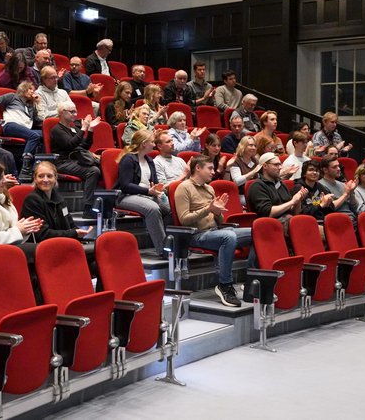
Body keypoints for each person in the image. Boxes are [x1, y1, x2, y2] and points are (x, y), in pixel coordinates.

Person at [176, 155, 253, 306]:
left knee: (257, 231)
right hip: (196, 234)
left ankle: (252, 280)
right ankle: (225, 284)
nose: (213, 172)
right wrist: (209, 209)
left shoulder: (210, 188)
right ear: (198, 168)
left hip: (215, 231)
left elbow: (221, 221)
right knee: (228, 236)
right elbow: (184, 219)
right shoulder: (183, 188)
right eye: (210, 168)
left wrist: (217, 212)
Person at [115, 130, 171, 256]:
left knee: (169, 209)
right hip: (127, 196)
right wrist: (148, 191)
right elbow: (125, 186)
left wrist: (157, 188)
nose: (154, 145)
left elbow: (154, 183)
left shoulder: (150, 161)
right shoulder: (128, 159)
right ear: (144, 144)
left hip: (147, 195)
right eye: (152, 142)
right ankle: (163, 249)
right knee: (153, 209)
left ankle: (170, 243)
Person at [21, 161, 93, 241]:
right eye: (41, 176)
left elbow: (70, 225)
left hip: (60, 242)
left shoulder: (59, 199)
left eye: (49, 176)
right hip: (41, 246)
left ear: (55, 178)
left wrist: (80, 233)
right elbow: (42, 234)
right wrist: (74, 233)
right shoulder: (32, 200)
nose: (45, 180)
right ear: (35, 178)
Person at [50, 101, 102, 209]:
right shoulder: (57, 130)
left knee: (103, 165)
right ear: (62, 113)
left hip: (76, 160)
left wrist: (91, 129)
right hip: (63, 162)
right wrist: (83, 129)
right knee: (93, 170)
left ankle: (106, 204)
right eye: (72, 112)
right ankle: (88, 207)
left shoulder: (73, 129)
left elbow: (84, 146)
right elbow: (70, 144)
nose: (75, 114)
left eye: (76, 111)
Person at [0, 81, 43, 176]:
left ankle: (35, 165)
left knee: (44, 134)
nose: (33, 92)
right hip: (10, 125)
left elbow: (40, 119)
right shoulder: (12, 96)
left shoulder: (31, 105)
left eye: (34, 90)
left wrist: (38, 104)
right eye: (30, 89)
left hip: (25, 129)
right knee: (34, 136)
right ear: (23, 88)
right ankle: (26, 166)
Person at [247, 152, 305, 232]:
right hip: (270, 225)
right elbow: (268, 213)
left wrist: (298, 202)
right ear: (265, 166)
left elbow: (295, 213)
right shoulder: (257, 186)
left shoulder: (280, 183)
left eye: (280, 164)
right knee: (313, 230)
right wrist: (292, 202)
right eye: (276, 165)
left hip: (289, 220)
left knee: (308, 222)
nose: (280, 167)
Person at [317, 155, 358, 224]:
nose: (338, 169)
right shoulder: (320, 185)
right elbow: (330, 208)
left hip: (352, 220)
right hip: (337, 222)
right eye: (334, 167)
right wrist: (346, 194)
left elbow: (355, 208)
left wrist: (351, 192)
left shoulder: (342, 184)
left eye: (338, 166)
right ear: (325, 170)